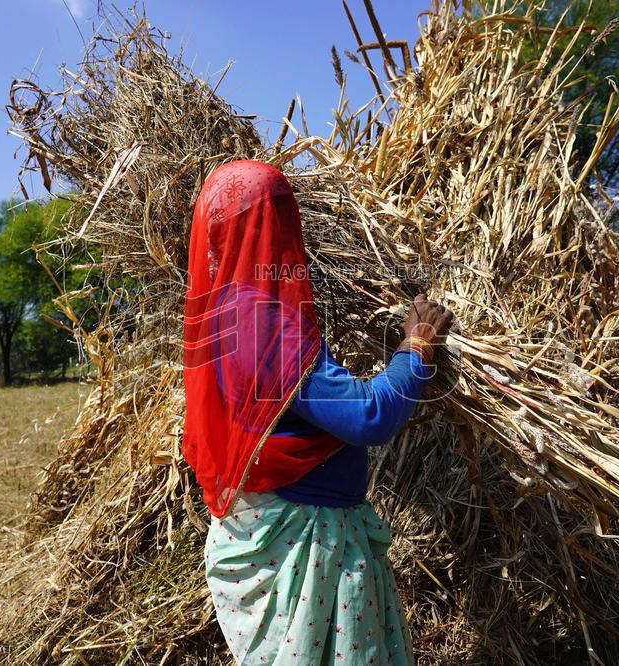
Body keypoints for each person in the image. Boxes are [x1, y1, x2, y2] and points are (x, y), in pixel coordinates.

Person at [183, 159, 454, 665]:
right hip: (304, 543)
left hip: (267, 527)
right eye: (284, 216)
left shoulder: (222, 311)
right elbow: (368, 416)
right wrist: (416, 347)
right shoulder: (264, 325)